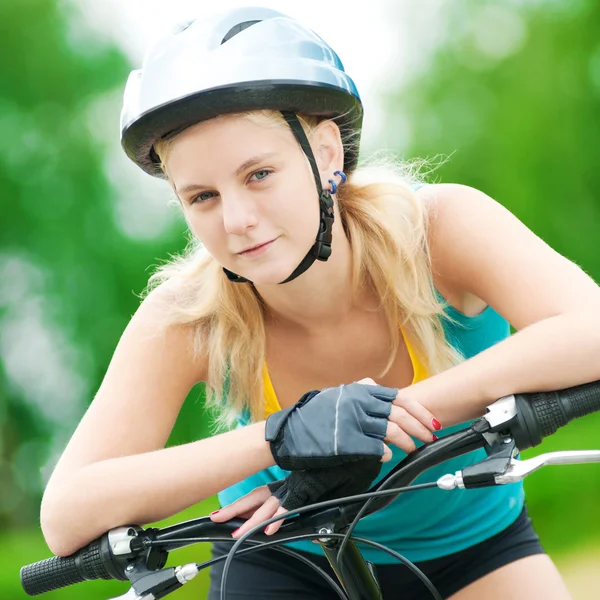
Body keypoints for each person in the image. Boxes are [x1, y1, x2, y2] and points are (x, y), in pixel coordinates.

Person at [39, 6, 600, 600]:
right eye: (202, 196)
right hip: (284, 560)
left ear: (326, 154)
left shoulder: (437, 228)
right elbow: (66, 515)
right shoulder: (186, 315)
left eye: (258, 174)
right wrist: (281, 436)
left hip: (475, 547)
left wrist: (370, 420)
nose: (236, 220)